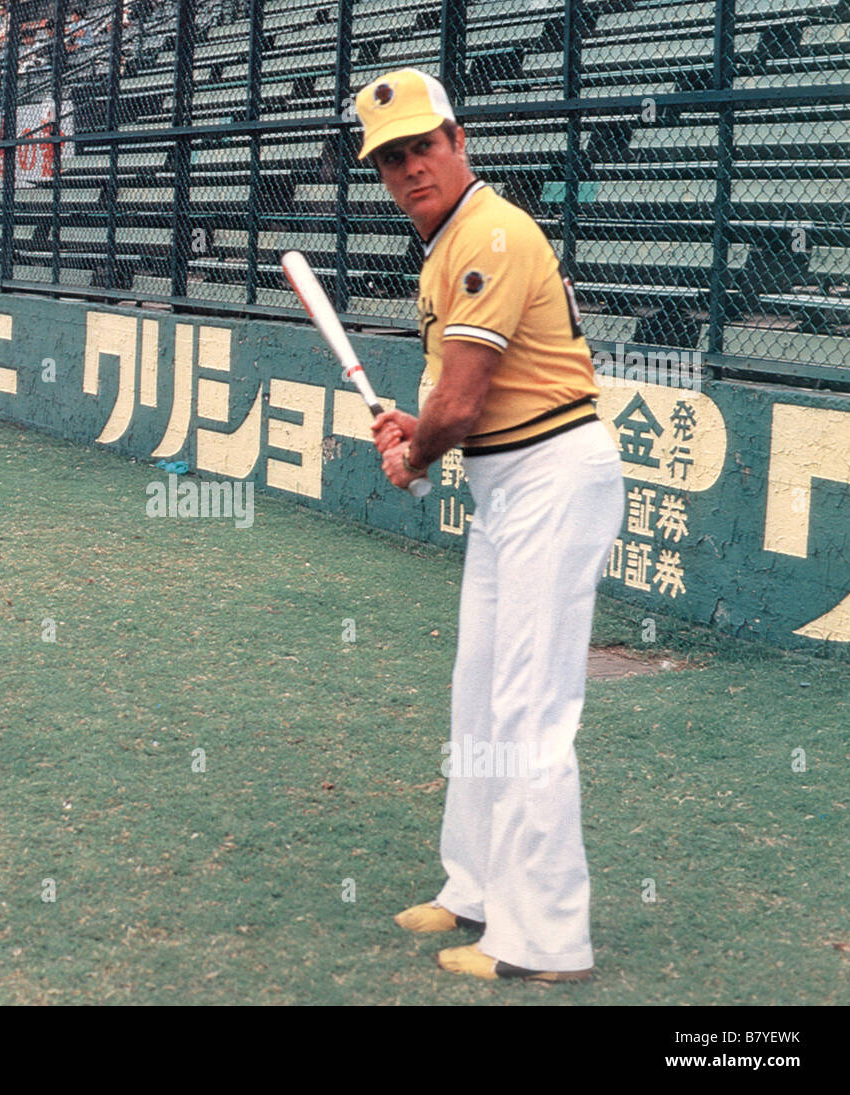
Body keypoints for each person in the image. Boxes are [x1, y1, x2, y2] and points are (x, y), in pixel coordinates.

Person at [359, 69, 625, 982]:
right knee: (480, 692)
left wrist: (421, 448)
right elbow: (453, 399)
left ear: (457, 138)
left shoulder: (490, 235)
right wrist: (414, 427)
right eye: (390, 159)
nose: (409, 168)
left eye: (421, 146)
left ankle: (547, 938)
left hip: (553, 474)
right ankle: (473, 886)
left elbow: (464, 403)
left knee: (529, 711)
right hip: (508, 483)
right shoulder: (445, 246)